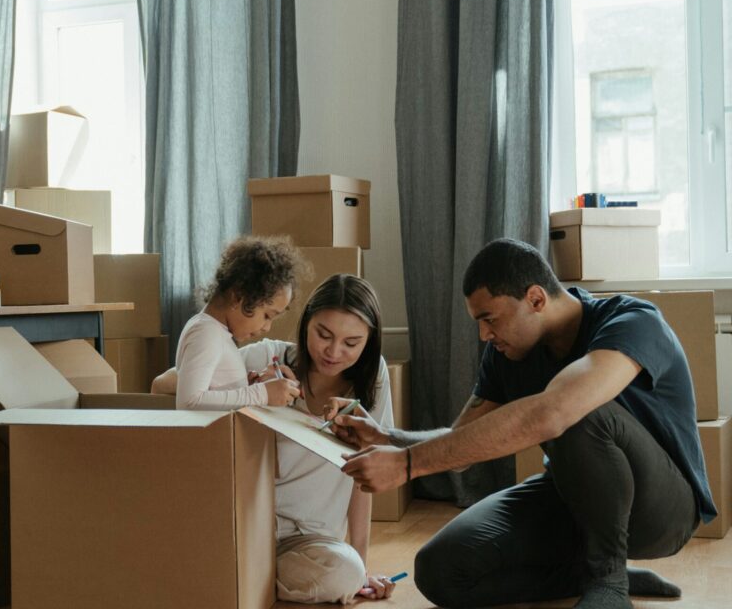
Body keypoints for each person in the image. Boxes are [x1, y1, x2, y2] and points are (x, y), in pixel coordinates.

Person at [328, 238, 715, 609]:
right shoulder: (507, 352)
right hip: (571, 497)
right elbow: (460, 444)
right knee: (441, 571)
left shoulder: (633, 321)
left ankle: (608, 582)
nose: (483, 334)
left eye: (489, 318)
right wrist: (391, 439)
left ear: (535, 298)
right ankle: (587, 573)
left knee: (576, 410)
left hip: (663, 511)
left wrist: (407, 465)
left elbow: (555, 413)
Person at [155, 274, 399, 603]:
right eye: (323, 334)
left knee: (346, 574)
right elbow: (164, 384)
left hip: (311, 541)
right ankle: (243, 574)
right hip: (248, 527)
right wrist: (253, 389)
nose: (333, 351)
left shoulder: (374, 381)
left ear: (369, 342)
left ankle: (242, 578)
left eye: (351, 343)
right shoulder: (268, 357)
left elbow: (364, 475)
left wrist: (362, 565)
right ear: (306, 323)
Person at [173, 235, 306, 410]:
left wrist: (247, 388)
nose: (267, 327)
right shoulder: (206, 333)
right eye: (267, 315)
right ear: (238, 296)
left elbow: (215, 396)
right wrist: (261, 394)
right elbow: (189, 402)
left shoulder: (216, 332)